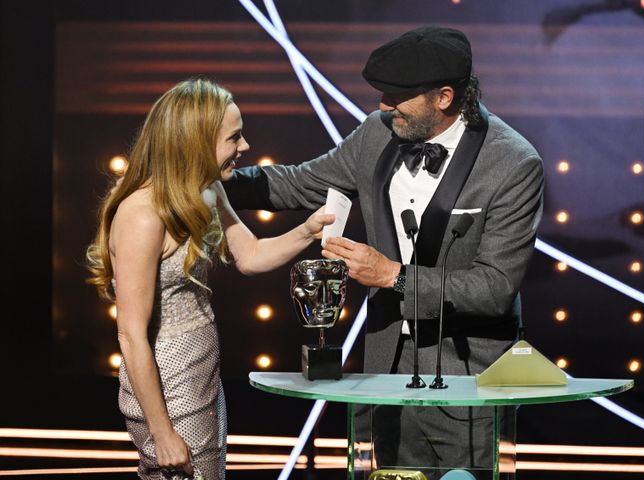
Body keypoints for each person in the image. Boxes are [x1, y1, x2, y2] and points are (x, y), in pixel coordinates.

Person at [223, 26, 544, 478]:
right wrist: (208, 181)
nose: (381, 107)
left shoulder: (513, 163)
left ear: (444, 97)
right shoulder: (378, 135)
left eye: (396, 97)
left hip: (469, 378)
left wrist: (394, 275)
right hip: (387, 369)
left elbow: (494, 288)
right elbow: (298, 182)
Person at [85, 78, 333, 480]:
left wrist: (307, 231)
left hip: (203, 373)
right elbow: (131, 334)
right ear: (195, 142)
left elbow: (250, 255)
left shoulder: (207, 191)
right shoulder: (144, 215)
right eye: (234, 138)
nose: (245, 147)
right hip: (166, 385)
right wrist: (162, 432)